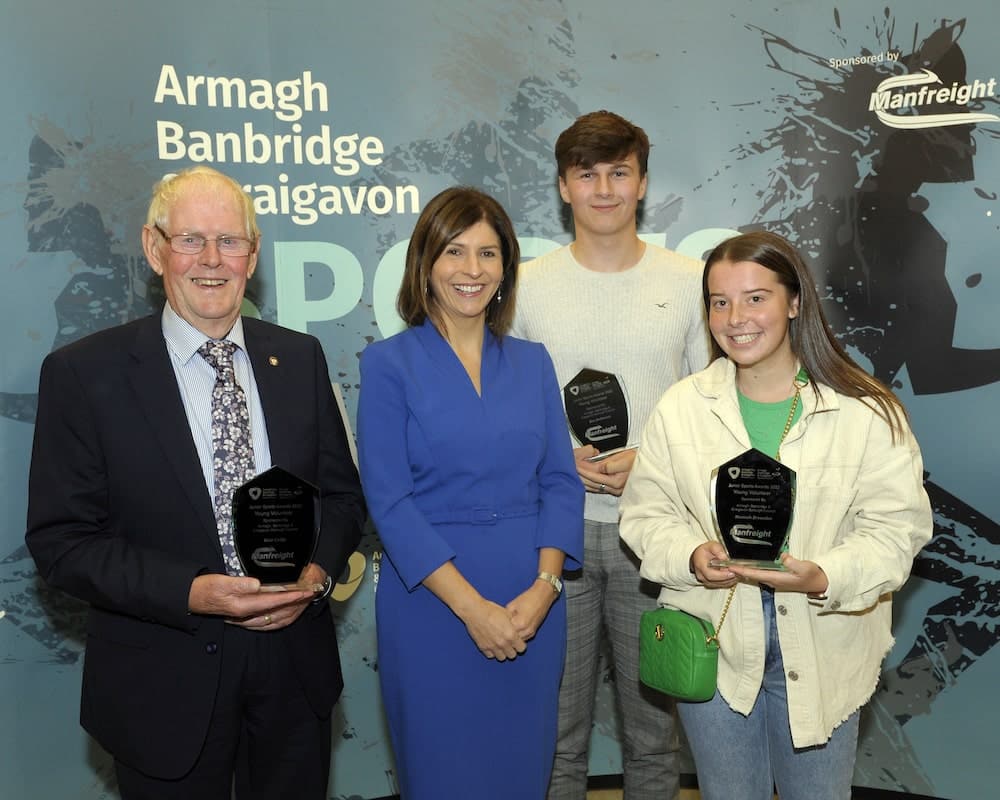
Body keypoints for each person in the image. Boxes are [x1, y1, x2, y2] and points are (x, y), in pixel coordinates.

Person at [25, 166, 366, 800]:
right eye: (190, 240)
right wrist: (194, 593)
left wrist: (316, 574)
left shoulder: (298, 359)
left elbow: (343, 498)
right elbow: (62, 542)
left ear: (253, 254)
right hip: (164, 675)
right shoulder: (83, 374)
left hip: (294, 668)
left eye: (230, 241)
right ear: (155, 248)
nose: (211, 260)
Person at [619, 230, 933, 800]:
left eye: (756, 297)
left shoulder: (865, 411)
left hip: (823, 638)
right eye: (720, 301)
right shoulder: (683, 406)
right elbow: (646, 515)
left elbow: (897, 531)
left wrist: (826, 576)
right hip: (714, 638)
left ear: (794, 302)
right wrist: (690, 556)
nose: (736, 317)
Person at [357, 186, 584, 799]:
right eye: (455, 252)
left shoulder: (534, 362)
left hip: (530, 601)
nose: (472, 270)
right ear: (425, 263)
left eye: (489, 254)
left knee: (522, 773)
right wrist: (472, 609)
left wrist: (545, 589)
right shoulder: (388, 365)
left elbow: (561, 482)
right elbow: (388, 499)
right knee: (442, 774)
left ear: (506, 268)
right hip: (431, 601)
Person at [511, 110, 709, 800]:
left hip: (654, 538)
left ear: (642, 183)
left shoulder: (690, 282)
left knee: (654, 740)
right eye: (586, 173)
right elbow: (505, 409)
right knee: (556, 736)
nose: (603, 189)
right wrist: (554, 456)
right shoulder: (525, 287)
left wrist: (652, 459)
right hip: (552, 539)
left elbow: (711, 410)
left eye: (618, 172)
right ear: (564, 187)